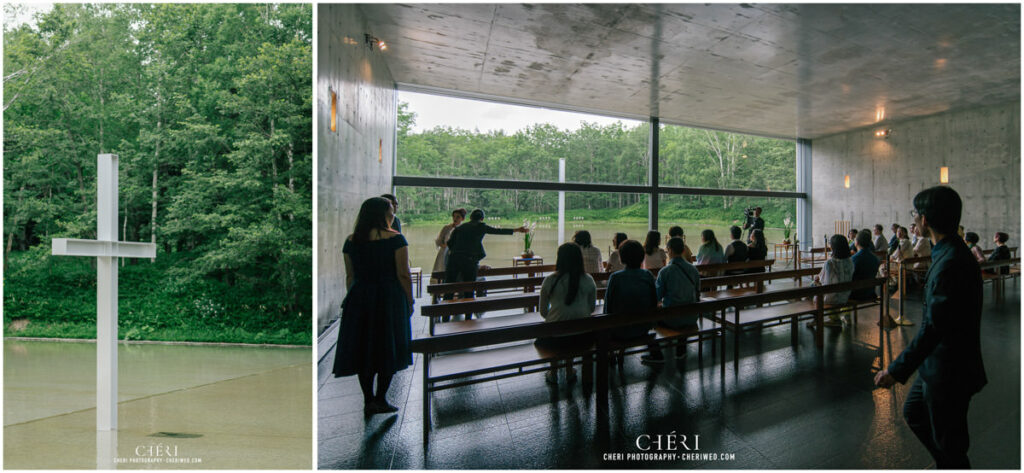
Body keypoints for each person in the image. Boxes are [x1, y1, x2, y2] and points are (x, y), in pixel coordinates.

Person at [874, 186, 986, 469]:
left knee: (951, 441)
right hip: (939, 362)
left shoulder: (950, 262)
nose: (914, 220)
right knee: (916, 413)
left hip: (949, 367)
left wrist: (895, 369)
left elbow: (934, 328)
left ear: (925, 219)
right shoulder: (949, 252)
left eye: (915, 214)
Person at [333, 197, 413, 415]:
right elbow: (403, 274)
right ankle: (381, 399)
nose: (392, 213)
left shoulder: (352, 241)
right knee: (389, 345)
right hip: (389, 297)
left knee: (364, 348)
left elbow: (350, 276)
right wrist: (409, 300)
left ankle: (368, 400)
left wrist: (354, 297)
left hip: (360, 298)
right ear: (383, 214)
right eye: (390, 210)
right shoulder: (396, 239)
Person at [536, 243, 597, 384]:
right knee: (572, 333)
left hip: (555, 338)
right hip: (583, 336)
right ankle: (569, 371)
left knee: (554, 329)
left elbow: (543, 312)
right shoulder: (588, 279)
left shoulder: (550, 280)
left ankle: (553, 372)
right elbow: (591, 308)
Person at [445, 209, 527, 299]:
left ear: (471, 218)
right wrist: (517, 230)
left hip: (453, 260)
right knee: (469, 290)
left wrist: (457, 252)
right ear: (482, 219)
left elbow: (449, 243)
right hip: (469, 261)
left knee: (449, 288)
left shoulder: (460, 227)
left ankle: (445, 311)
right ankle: (468, 312)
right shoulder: (481, 226)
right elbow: (498, 231)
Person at [644, 237, 702, 362]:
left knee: (650, 319)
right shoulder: (693, 269)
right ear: (682, 250)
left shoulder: (665, 271)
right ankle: (681, 350)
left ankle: (656, 355)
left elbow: (657, 297)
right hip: (692, 317)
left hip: (672, 320)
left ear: (670, 250)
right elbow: (698, 293)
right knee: (683, 307)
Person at [604, 240, 659, 359]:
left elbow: (607, 307)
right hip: (643, 327)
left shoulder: (615, 278)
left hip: (620, 331)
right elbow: (654, 301)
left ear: (622, 257)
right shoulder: (647, 275)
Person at [810, 234, 853, 328]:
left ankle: (819, 319)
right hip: (846, 295)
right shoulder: (850, 261)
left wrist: (817, 280)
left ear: (833, 247)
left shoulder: (830, 263)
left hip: (832, 297)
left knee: (812, 288)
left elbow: (826, 283)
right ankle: (837, 317)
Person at [431, 208, 466, 284]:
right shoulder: (446, 228)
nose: (455, 219)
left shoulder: (464, 229)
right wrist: (445, 247)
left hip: (457, 254)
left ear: (462, 219)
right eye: (454, 216)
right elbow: (439, 241)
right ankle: (440, 290)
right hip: (444, 253)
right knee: (442, 272)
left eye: (458, 217)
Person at [850, 229, 880, 301]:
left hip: (856, 294)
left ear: (856, 242)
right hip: (870, 292)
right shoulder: (875, 258)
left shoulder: (854, 259)